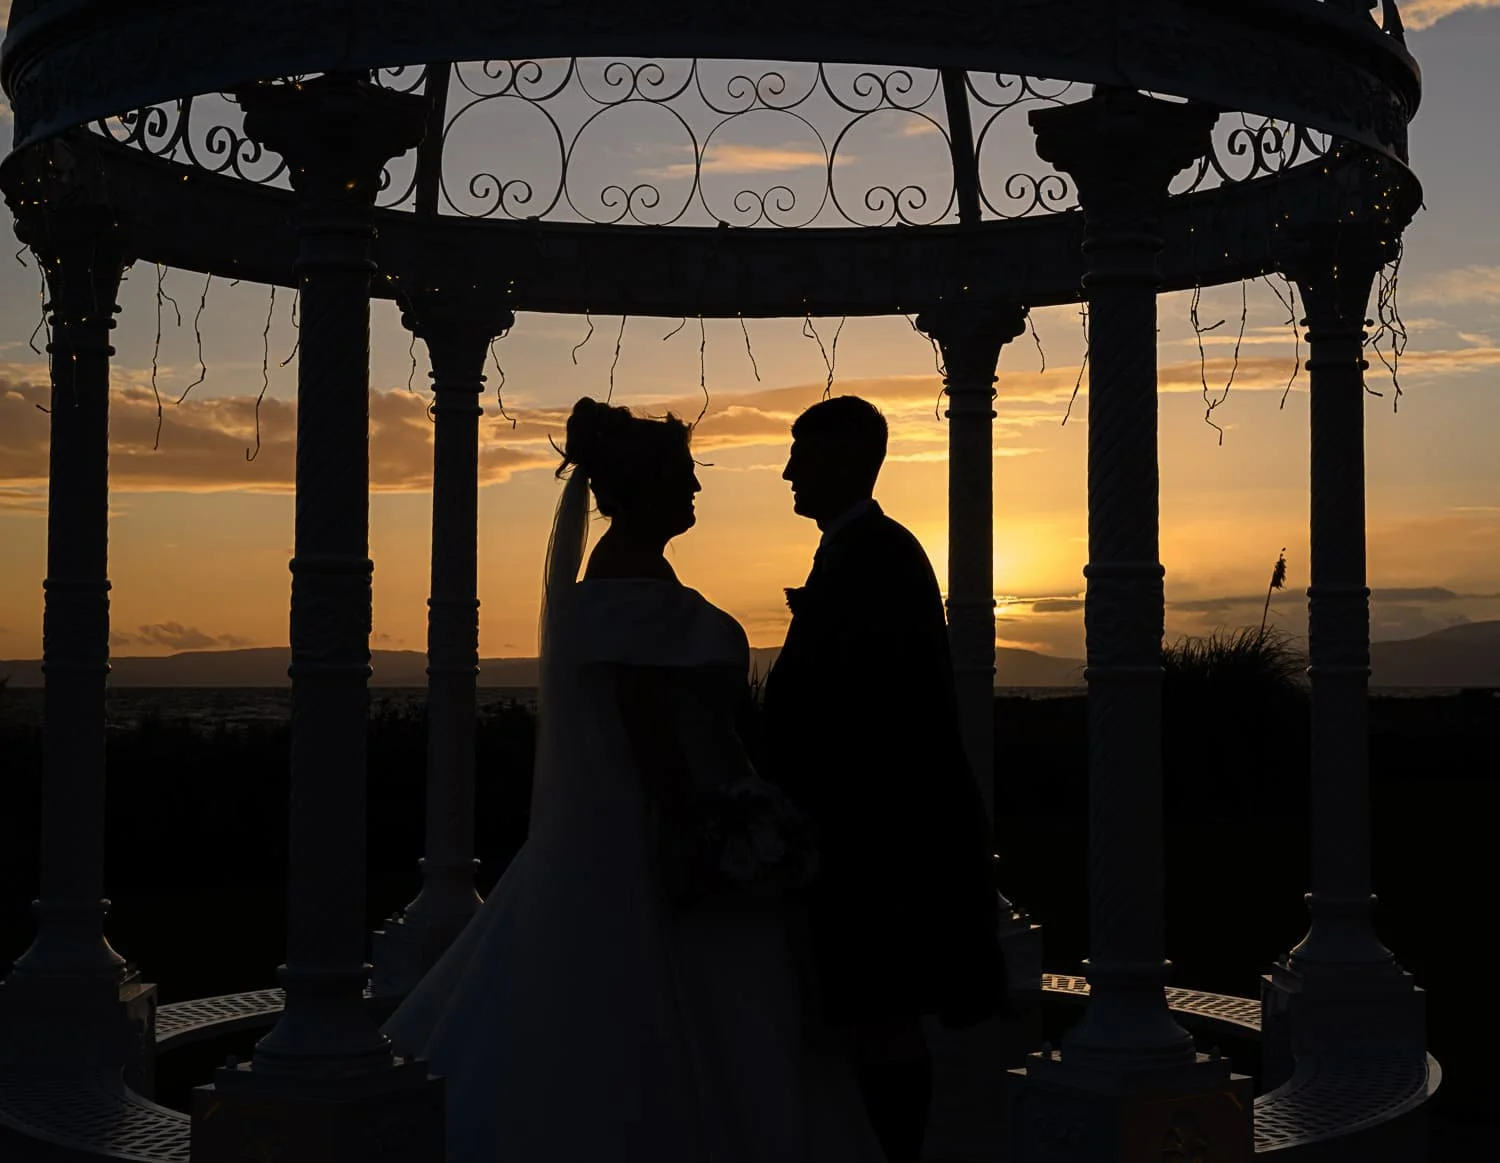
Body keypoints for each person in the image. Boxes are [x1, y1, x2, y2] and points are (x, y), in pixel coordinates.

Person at [381, 397, 886, 1163]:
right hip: (658, 831)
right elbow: (648, 729)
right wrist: (708, 830)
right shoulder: (625, 579)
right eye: (684, 477)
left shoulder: (638, 572)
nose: (695, 490)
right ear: (645, 485)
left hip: (668, 814)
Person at [760, 395, 1009, 1163]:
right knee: (870, 1015)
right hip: (865, 836)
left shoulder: (878, 556)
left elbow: (866, 711)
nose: (787, 470)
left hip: (875, 842)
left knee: (882, 1016)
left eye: (801, 452)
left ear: (842, 458)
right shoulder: (861, 550)